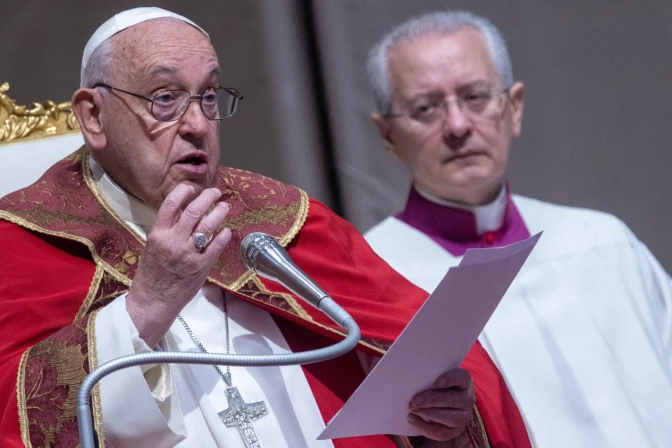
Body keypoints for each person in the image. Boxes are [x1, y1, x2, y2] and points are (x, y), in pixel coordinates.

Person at [0, 8, 532, 448]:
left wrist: (436, 423)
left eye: (208, 97)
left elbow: (397, 372)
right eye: (164, 98)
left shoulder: (282, 220)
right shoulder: (22, 242)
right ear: (93, 116)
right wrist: (146, 307)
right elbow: (14, 412)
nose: (196, 123)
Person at [364, 10, 672, 448]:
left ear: (515, 107)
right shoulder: (372, 278)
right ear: (388, 135)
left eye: (475, 96)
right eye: (426, 108)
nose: (457, 126)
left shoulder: (604, 242)